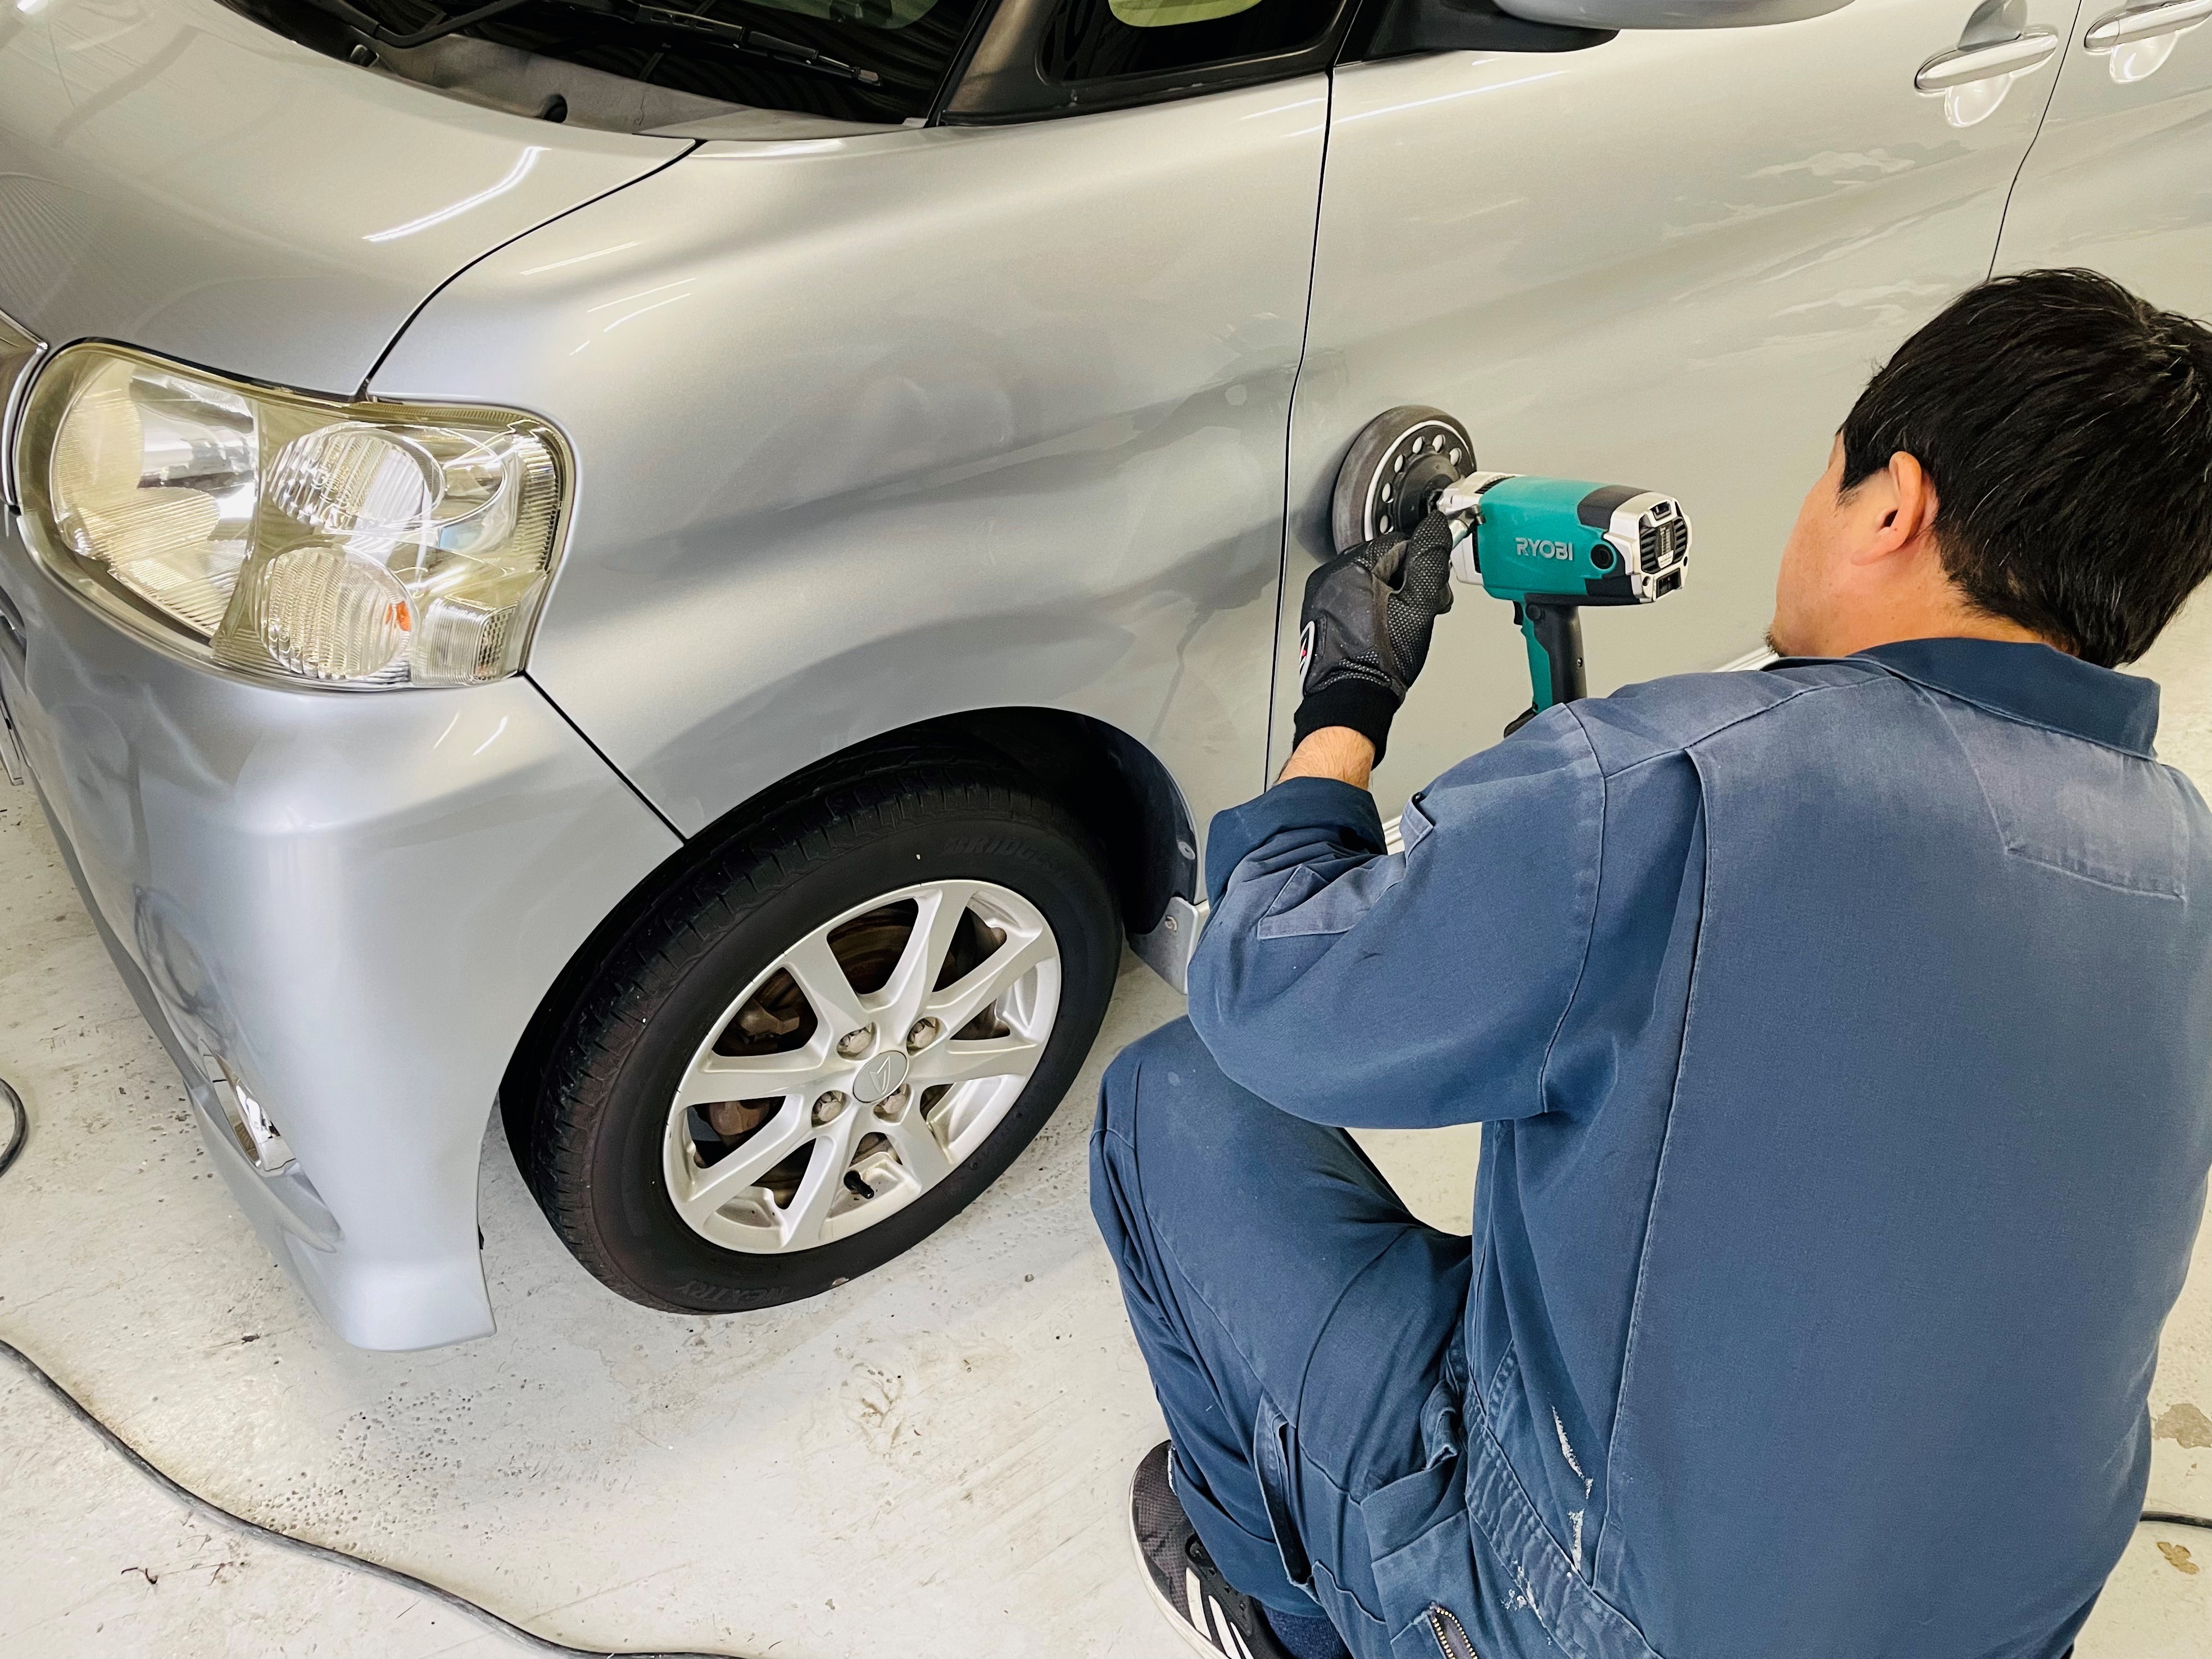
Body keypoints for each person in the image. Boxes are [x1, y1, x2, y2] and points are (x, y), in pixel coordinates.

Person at [1091, 269, 2212, 1659]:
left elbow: (1270, 997)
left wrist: (1344, 705)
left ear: (1891, 503)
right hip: (2001, 1620)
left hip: (1602, 1625)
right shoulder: (2184, 855)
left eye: (1826, 478)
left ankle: (1285, 1610)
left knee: (1171, 1096)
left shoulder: (1687, 783)